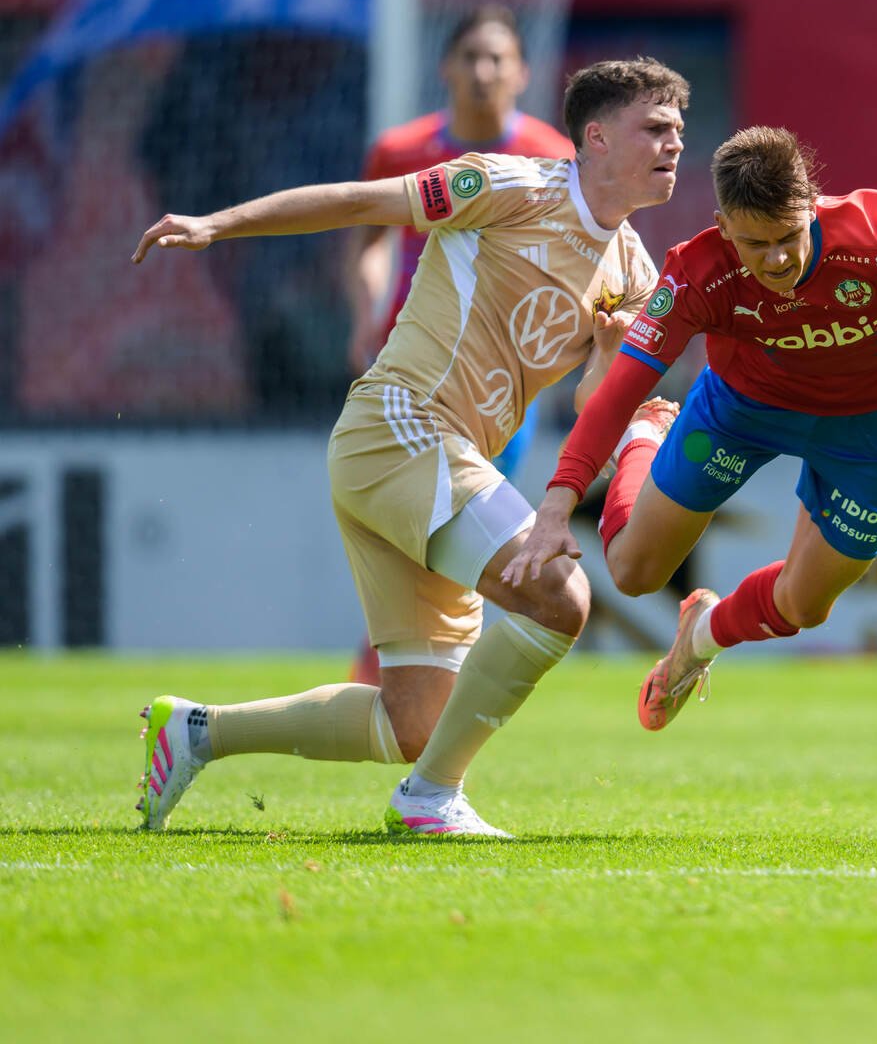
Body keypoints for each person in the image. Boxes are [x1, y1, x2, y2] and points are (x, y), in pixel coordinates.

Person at [129, 58, 689, 838]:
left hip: (433, 459)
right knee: (561, 595)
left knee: (415, 723)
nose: (674, 145)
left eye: (679, 132)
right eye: (655, 129)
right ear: (596, 137)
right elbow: (361, 202)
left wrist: (603, 358)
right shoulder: (510, 185)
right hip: (401, 426)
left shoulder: (634, 273)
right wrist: (218, 224)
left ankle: (196, 732)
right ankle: (429, 800)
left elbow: (594, 410)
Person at [503, 126, 877, 730]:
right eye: (755, 244)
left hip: (870, 424)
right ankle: (647, 436)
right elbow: (613, 393)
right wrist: (555, 506)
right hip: (742, 413)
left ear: (811, 207)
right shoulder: (698, 273)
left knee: (806, 606)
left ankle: (699, 639)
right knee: (633, 572)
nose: (776, 260)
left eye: (788, 237)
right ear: (724, 226)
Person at [342, 6, 574, 686]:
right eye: (470, 56)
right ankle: (399, 673)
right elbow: (369, 243)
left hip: (502, 381)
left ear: (521, 73)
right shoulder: (402, 149)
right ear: (446, 67)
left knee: (458, 530)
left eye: (497, 58)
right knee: (425, 523)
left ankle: (402, 675)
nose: (483, 71)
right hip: (415, 370)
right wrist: (368, 311)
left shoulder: (551, 157)